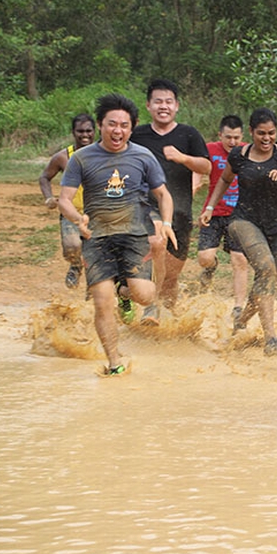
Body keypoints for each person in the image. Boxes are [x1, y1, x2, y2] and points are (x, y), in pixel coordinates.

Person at [57, 93, 177, 376]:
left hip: (134, 236)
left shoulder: (143, 156)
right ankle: (114, 362)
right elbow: (63, 199)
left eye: (124, 125)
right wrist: (77, 218)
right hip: (96, 239)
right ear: (100, 125)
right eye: (112, 124)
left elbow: (163, 193)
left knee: (146, 296)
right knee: (102, 302)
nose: (117, 131)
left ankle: (124, 291)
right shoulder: (82, 159)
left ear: (132, 127)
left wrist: (167, 223)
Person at [200, 107, 277, 349]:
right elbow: (224, 179)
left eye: (271, 133)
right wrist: (211, 207)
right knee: (265, 269)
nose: (267, 138)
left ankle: (241, 320)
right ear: (252, 132)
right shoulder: (238, 155)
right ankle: (271, 338)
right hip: (244, 221)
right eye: (261, 133)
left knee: (267, 280)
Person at [130, 78, 210, 324]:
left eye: (168, 102)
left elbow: (206, 165)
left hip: (181, 212)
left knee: (171, 277)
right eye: (158, 102)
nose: (163, 106)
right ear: (148, 105)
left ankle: (169, 327)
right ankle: (150, 307)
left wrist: (183, 158)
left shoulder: (188, 134)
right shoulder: (137, 134)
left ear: (176, 105)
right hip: (146, 208)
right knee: (156, 244)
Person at [194, 114, 249, 312]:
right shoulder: (209, 150)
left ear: (242, 135)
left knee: (239, 259)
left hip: (240, 215)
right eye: (228, 137)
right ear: (220, 135)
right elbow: (198, 168)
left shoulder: (248, 151)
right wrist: (195, 183)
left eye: (236, 137)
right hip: (213, 212)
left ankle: (238, 306)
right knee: (204, 257)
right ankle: (211, 267)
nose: (232, 142)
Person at [38, 114, 96, 288]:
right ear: (73, 132)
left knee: (98, 253)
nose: (84, 135)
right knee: (72, 246)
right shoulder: (62, 157)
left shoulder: (104, 153)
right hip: (72, 212)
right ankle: (76, 266)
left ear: (95, 131)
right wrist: (48, 197)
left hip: (98, 212)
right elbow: (44, 177)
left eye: (88, 131)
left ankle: (94, 286)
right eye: (80, 131)